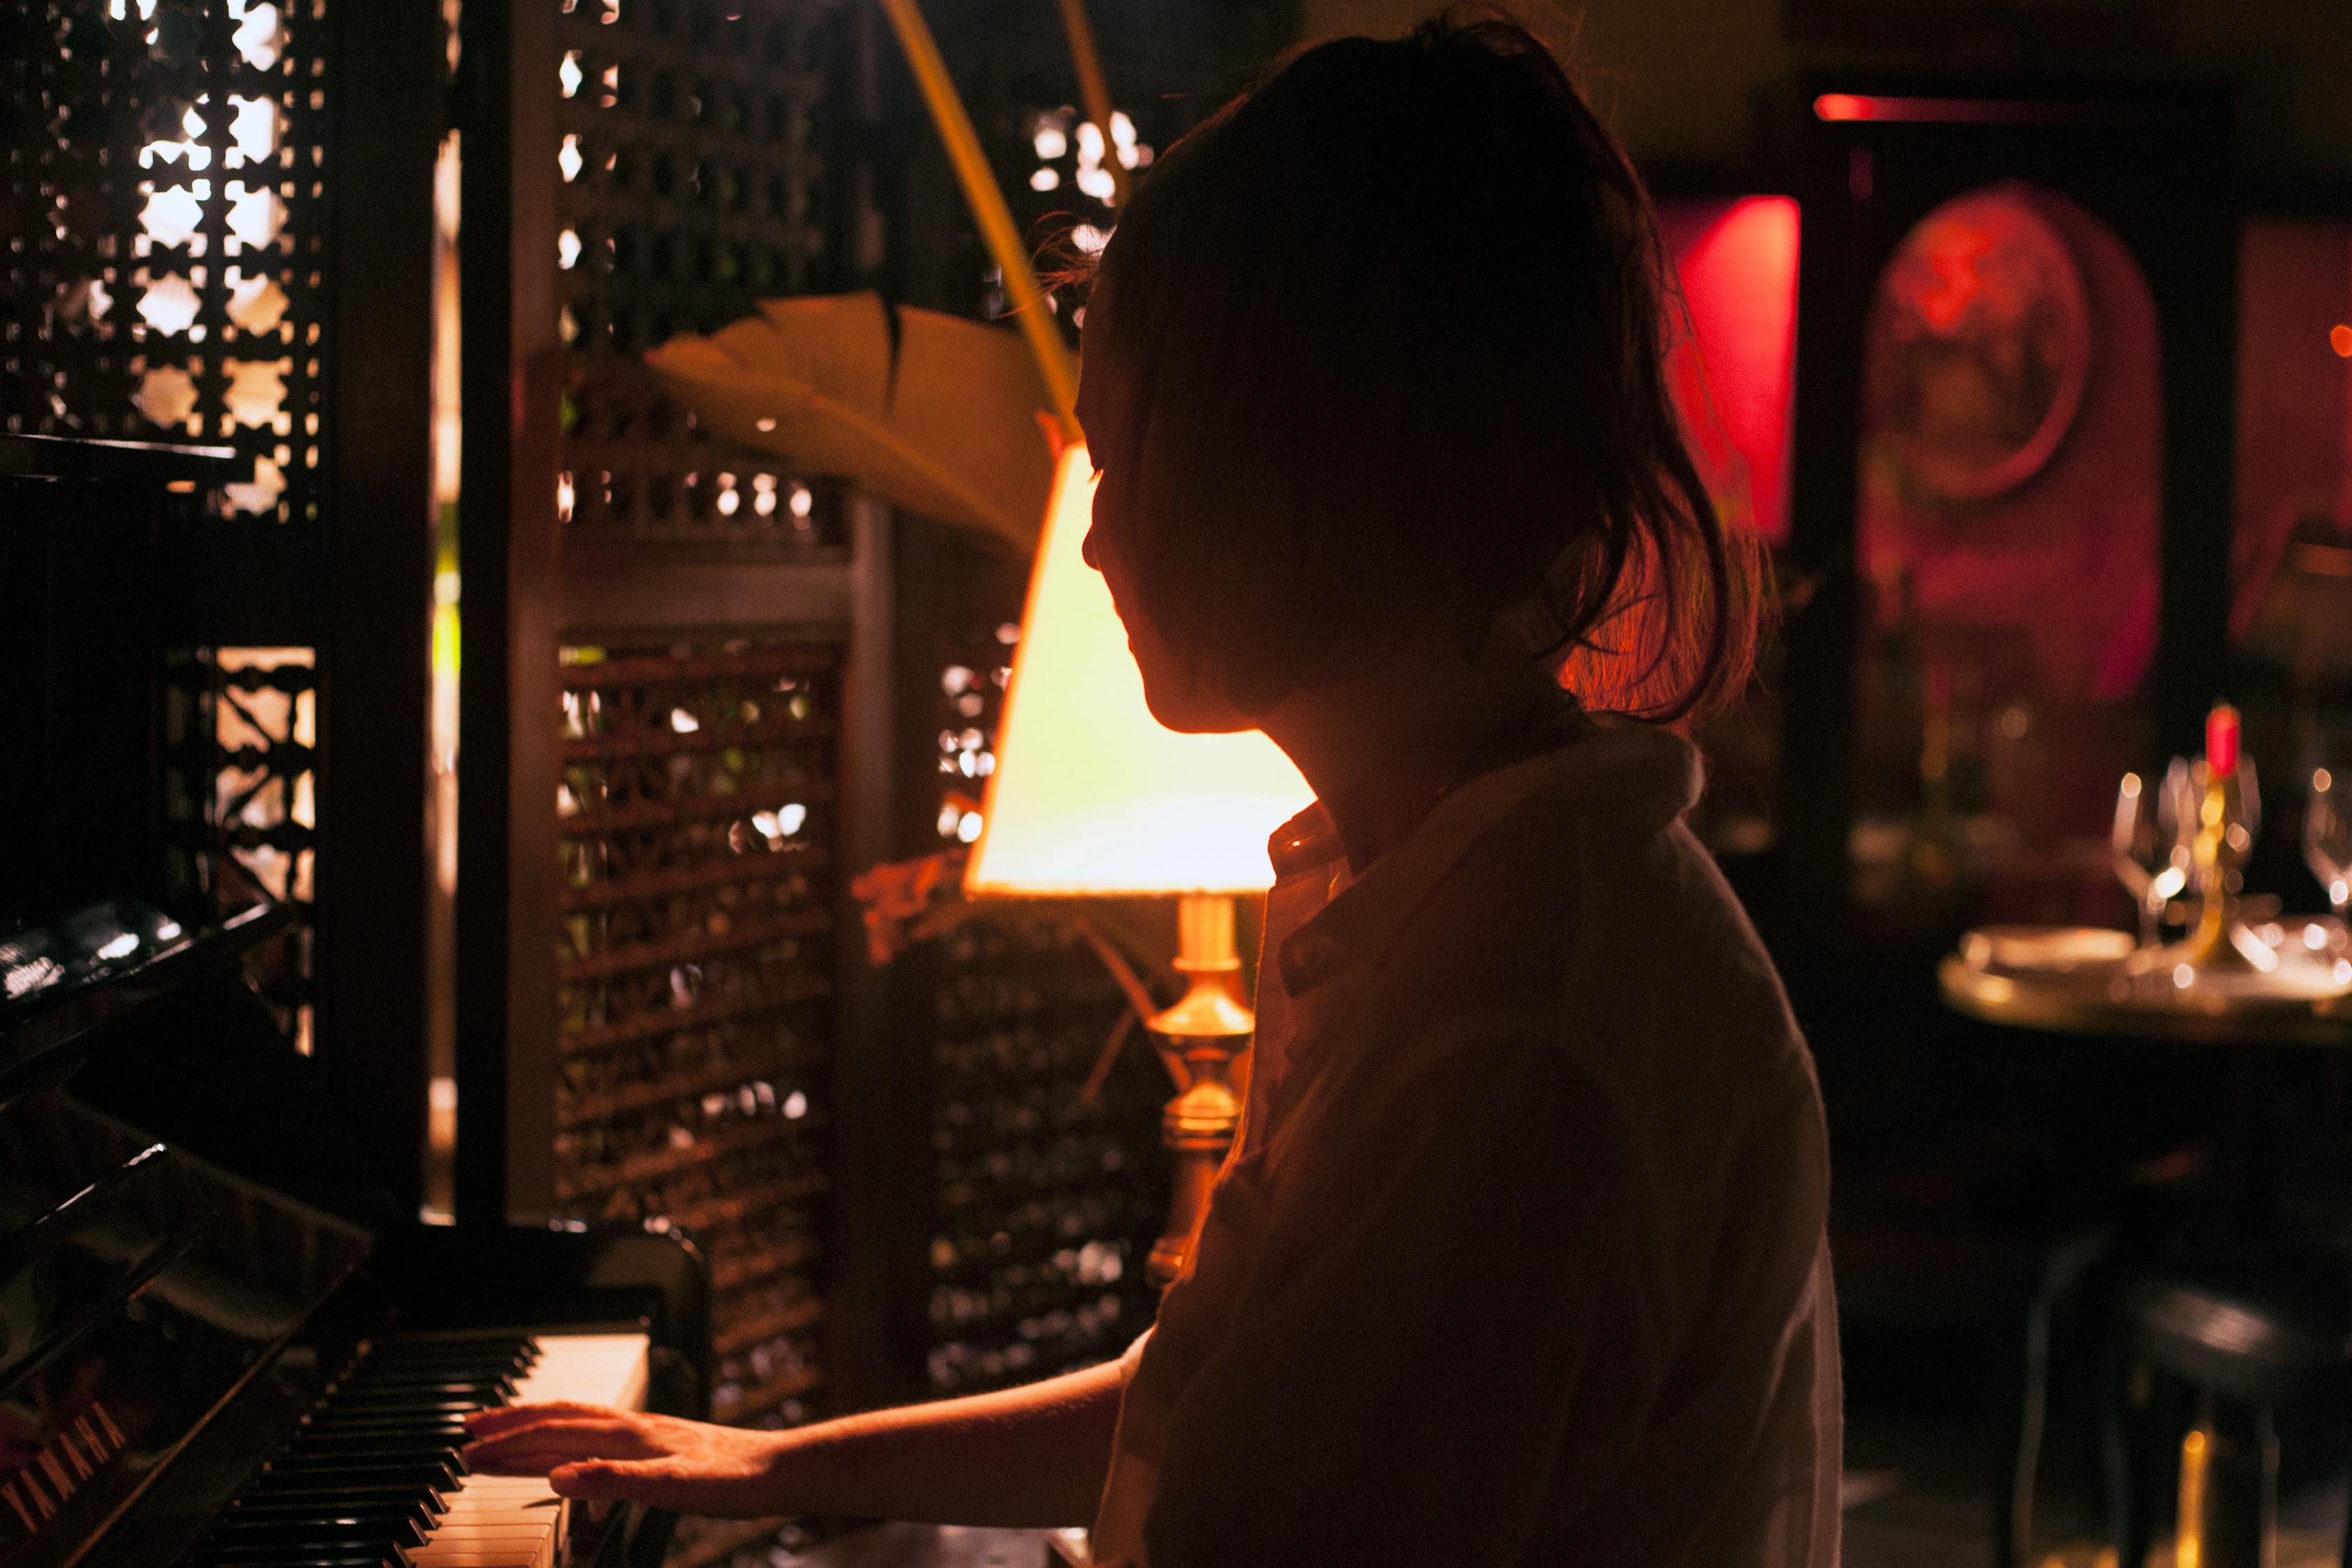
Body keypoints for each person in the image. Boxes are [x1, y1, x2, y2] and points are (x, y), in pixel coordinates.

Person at [463, 13, 1840, 1565]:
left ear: (1302, 467)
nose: (1097, 538)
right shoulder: (1464, 895)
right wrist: (775, 1463)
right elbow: (1203, 1399)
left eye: (1122, 457)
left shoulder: (1518, 1036)